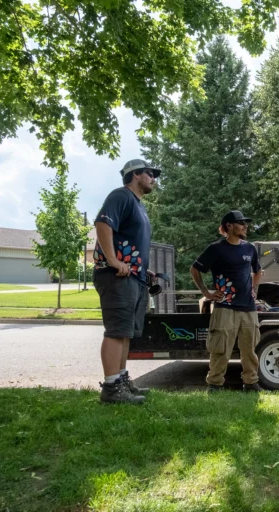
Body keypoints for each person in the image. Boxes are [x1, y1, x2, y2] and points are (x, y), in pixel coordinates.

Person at [93, 159, 160, 405]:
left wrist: (144, 268)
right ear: (135, 175)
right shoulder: (120, 196)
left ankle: (120, 381)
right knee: (116, 331)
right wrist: (112, 260)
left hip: (132, 276)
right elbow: (102, 223)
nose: (154, 178)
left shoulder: (137, 205)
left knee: (125, 333)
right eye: (150, 173)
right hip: (115, 276)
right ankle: (111, 389)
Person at [191, 210, 263, 392]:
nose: (245, 226)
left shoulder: (249, 248)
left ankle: (251, 383)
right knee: (220, 349)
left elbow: (258, 271)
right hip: (225, 308)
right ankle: (214, 385)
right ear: (229, 226)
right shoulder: (216, 249)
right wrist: (206, 293)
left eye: (245, 223)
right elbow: (195, 269)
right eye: (241, 223)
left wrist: (254, 291)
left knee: (250, 350)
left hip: (248, 308)